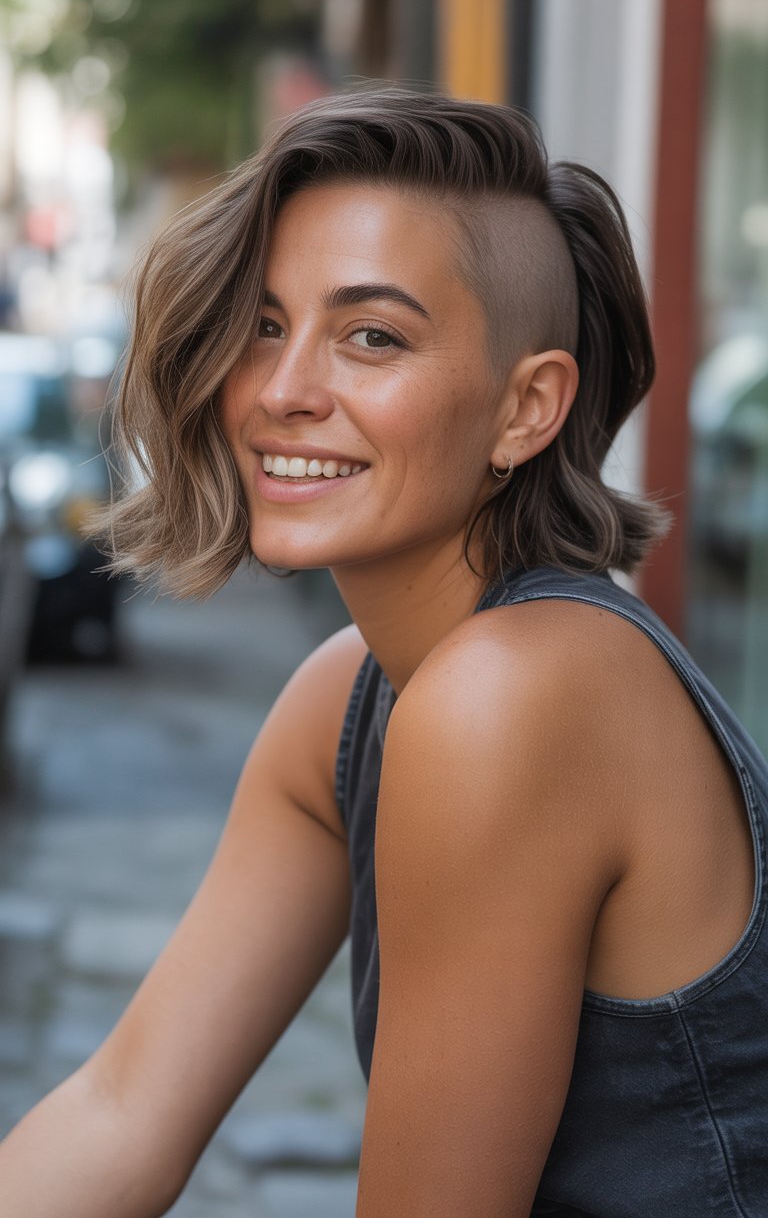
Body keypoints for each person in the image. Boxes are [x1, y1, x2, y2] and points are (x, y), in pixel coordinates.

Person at [2, 87, 767, 1218]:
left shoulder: (512, 695)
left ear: (527, 408)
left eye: (372, 336)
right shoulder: (350, 696)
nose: (283, 389)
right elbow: (120, 1113)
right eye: (264, 324)